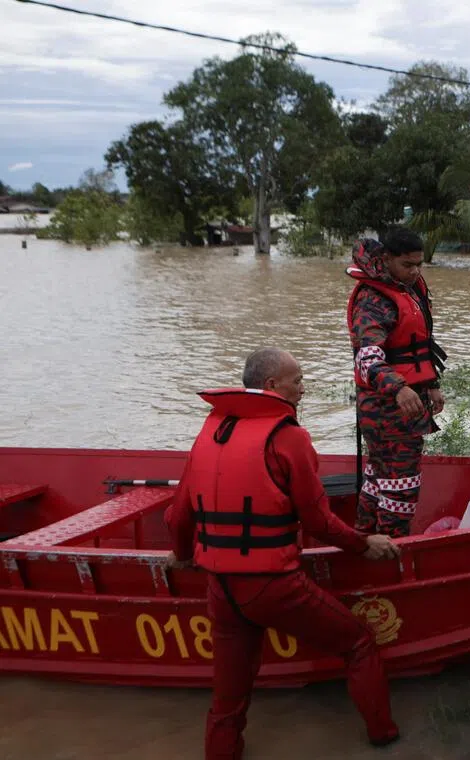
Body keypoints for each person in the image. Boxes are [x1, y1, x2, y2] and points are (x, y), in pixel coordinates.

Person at [164, 347, 403, 759]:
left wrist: (182, 554)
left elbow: (178, 516)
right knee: (359, 644)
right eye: (298, 380)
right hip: (273, 586)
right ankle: (385, 737)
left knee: (227, 699)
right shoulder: (288, 436)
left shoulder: (210, 431)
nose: (303, 389)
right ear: (272, 386)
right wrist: (364, 544)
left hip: (220, 589)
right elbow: (318, 521)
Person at [347, 227, 446, 537]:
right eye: (407, 265)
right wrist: (399, 388)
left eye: (419, 264)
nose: (415, 271)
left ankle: (366, 537)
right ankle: (390, 546)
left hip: (409, 396)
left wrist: (431, 383)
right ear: (386, 259)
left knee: (379, 475)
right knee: (401, 484)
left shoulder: (410, 285)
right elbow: (368, 358)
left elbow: (420, 342)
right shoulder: (373, 299)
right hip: (384, 406)